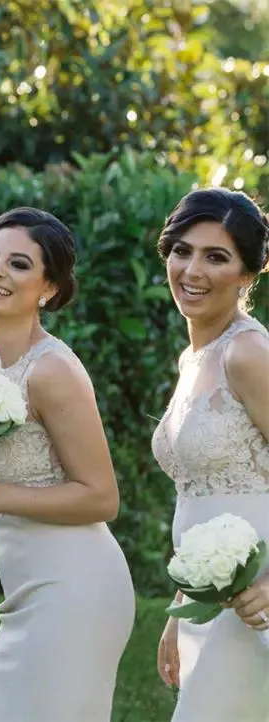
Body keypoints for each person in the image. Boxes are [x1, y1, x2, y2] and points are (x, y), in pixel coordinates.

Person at [0, 207, 134, 722]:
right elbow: (9, 509)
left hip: (76, 590)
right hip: (28, 593)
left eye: (18, 264)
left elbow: (101, 497)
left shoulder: (52, 370)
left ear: (49, 288)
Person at [152, 188, 269, 721]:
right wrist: (182, 608)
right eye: (183, 250)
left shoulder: (248, 353)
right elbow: (201, 504)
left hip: (257, 600)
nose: (192, 269)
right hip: (210, 599)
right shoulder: (194, 358)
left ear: (249, 272)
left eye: (216, 256)